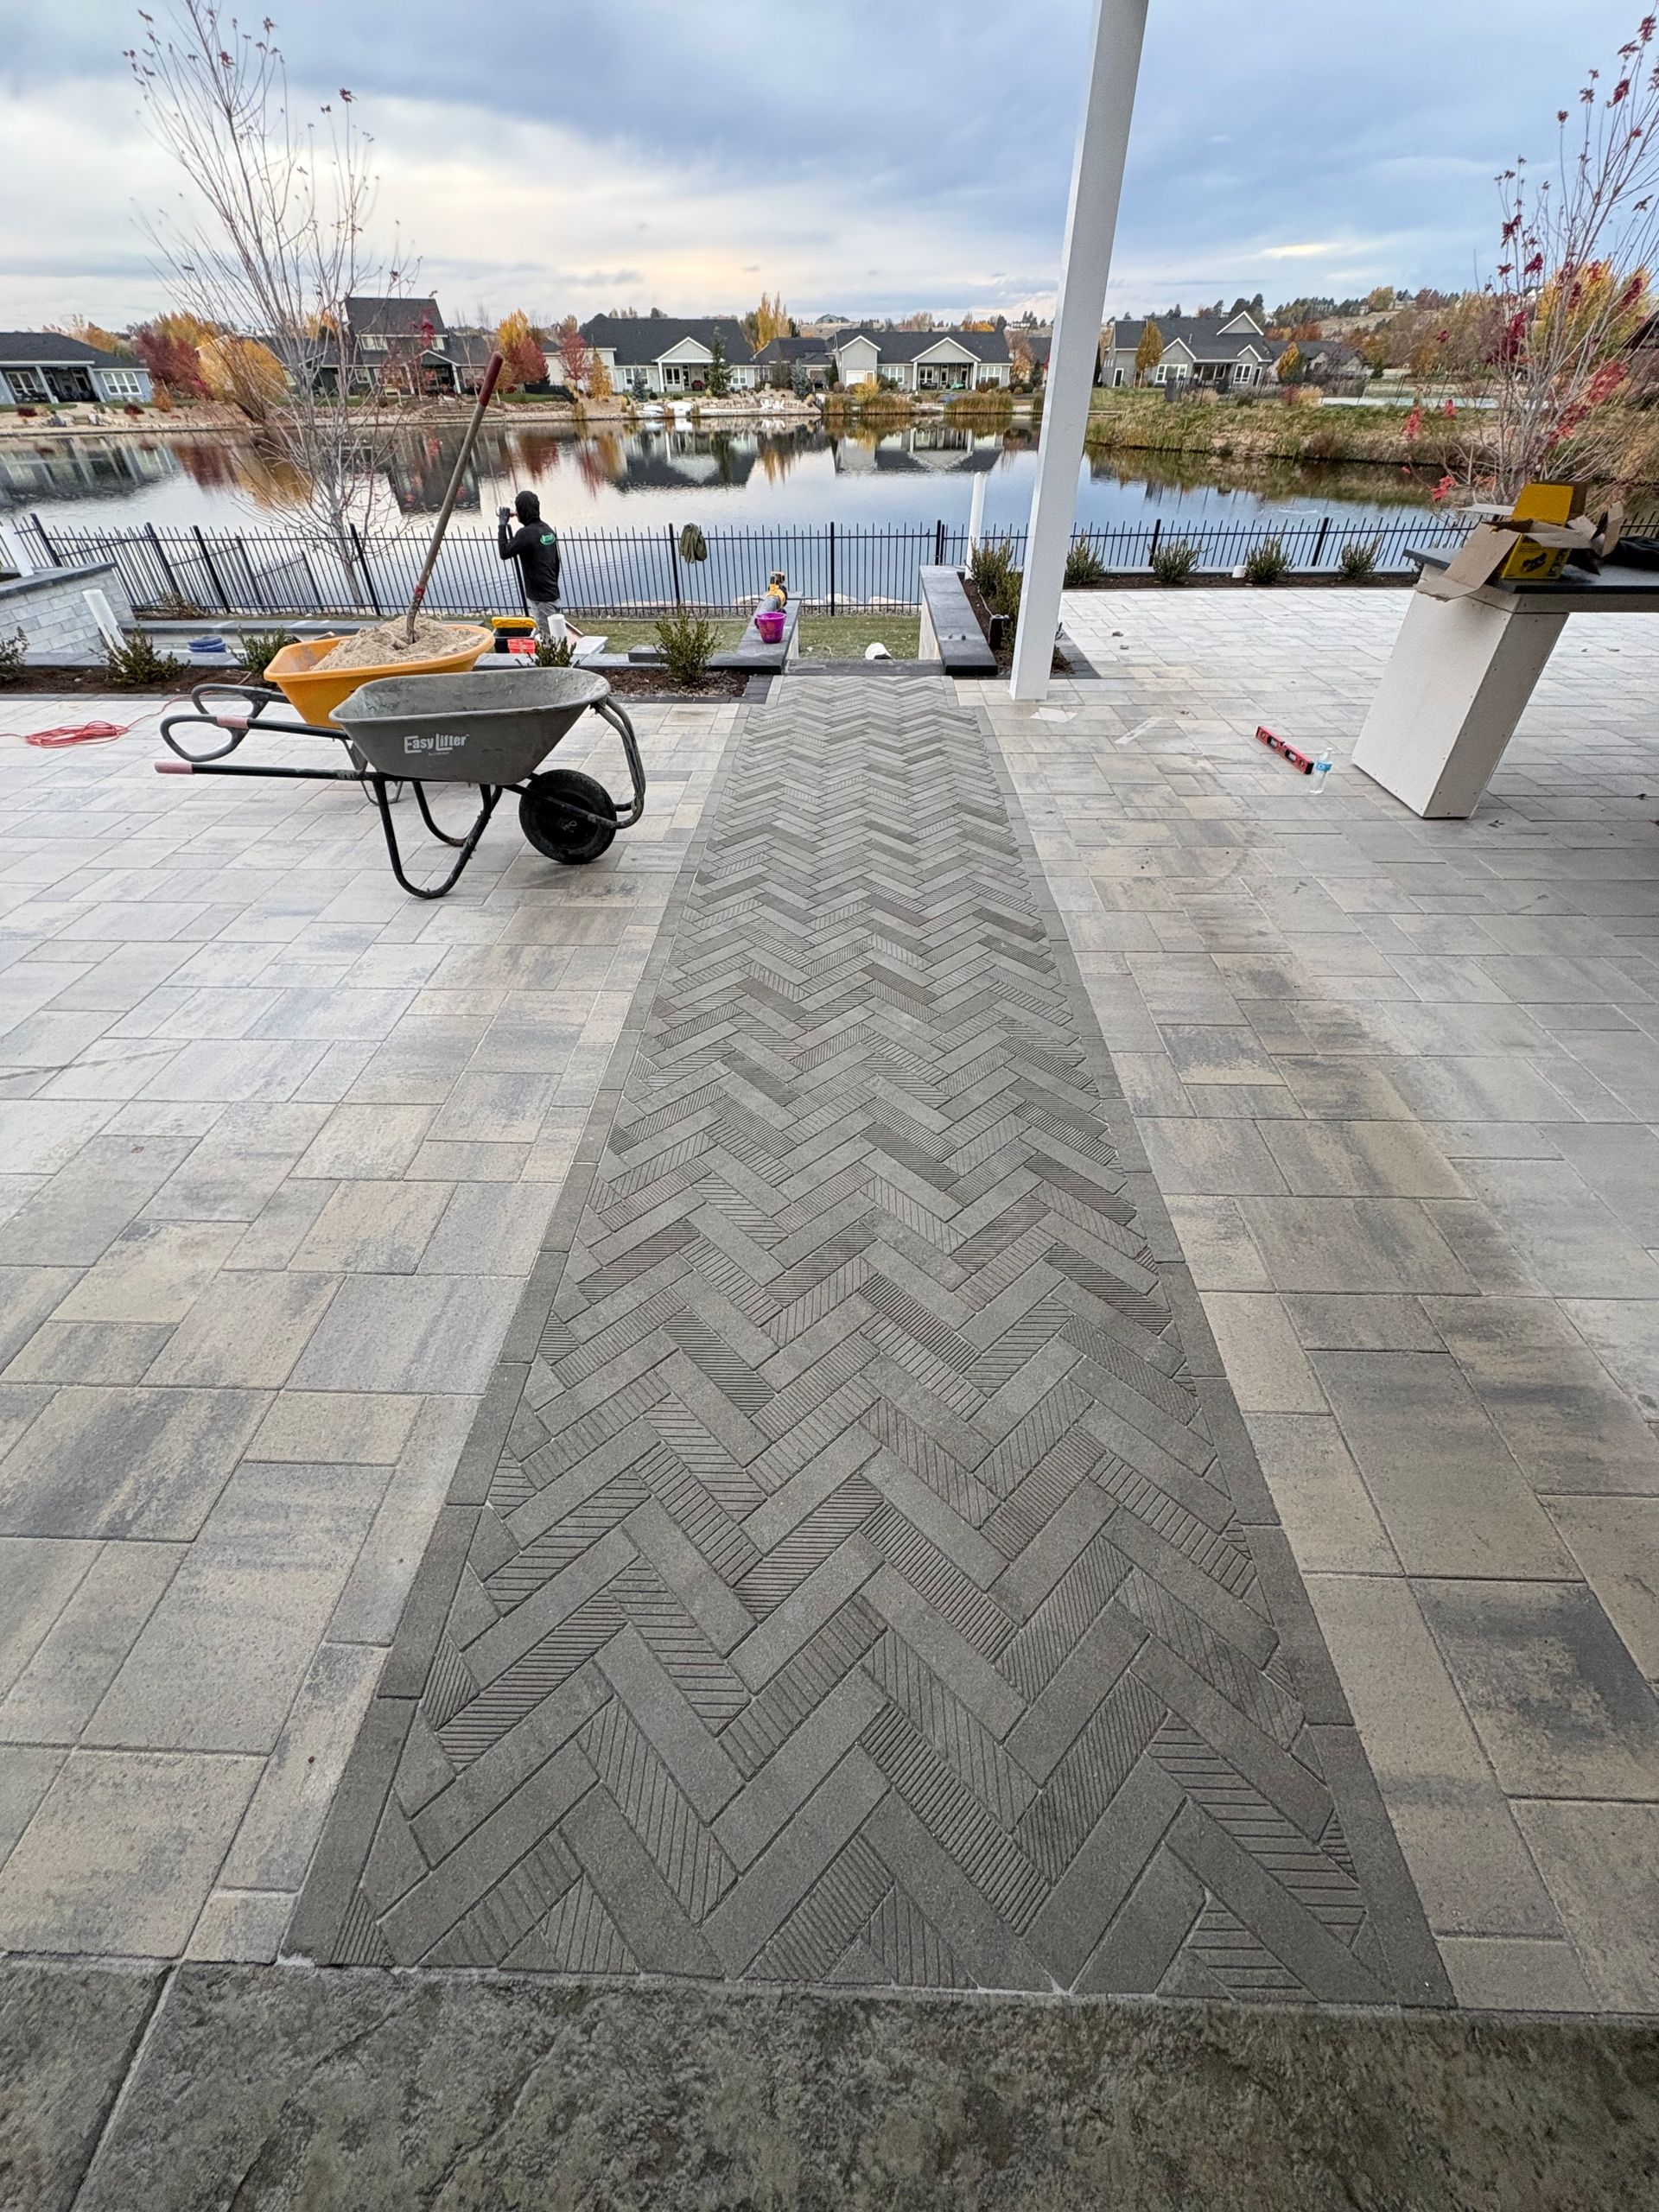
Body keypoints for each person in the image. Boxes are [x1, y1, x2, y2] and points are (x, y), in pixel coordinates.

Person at [497, 490, 564, 645]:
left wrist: (502, 525)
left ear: (521, 510)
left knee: (551, 641)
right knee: (557, 633)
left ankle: (554, 667)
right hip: (552, 592)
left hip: (540, 597)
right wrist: (552, 582)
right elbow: (556, 562)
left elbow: (504, 552)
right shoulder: (547, 530)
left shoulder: (525, 534)